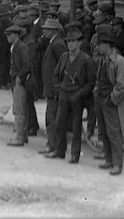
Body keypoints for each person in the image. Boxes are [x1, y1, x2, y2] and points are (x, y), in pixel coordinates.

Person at [46, 27, 95, 163]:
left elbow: (91, 82)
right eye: (68, 42)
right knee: (59, 124)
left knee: (76, 126)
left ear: (79, 43)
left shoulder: (86, 60)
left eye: (73, 41)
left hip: (77, 97)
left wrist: (80, 93)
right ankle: (60, 151)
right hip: (63, 95)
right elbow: (56, 74)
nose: (70, 44)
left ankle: (75, 154)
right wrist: (58, 88)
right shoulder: (64, 57)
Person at [93, 27, 124, 176]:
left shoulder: (119, 61)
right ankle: (109, 159)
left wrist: (112, 99)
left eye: (100, 44)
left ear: (108, 45)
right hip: (102, 99)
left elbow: (123, 84)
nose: (98, 47)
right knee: (104, 131)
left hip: (111, 101)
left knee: (113, 133)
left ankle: (117, 163)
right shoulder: (104, 60)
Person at [38, 17, 67, 155]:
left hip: (54, 88)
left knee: (52, 116)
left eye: (46, 29)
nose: (44, 30)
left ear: (53, 31)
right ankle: (51, 143)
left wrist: (58, 86)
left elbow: (63, 66)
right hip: (51, 87)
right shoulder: (53, 42)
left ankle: (52, 145)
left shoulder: (57, 44)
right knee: (51, 116)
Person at [5, 24, 31, 146]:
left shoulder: (20, 47)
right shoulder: (17, 47)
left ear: (15, 35)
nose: (7, 37)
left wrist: (19, 77)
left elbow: (27, 65)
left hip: (19, 82)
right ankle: (23, 135)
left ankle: (19, 137)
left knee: (19, 110)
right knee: (22, 109)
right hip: (18, 80)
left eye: (9, 35)